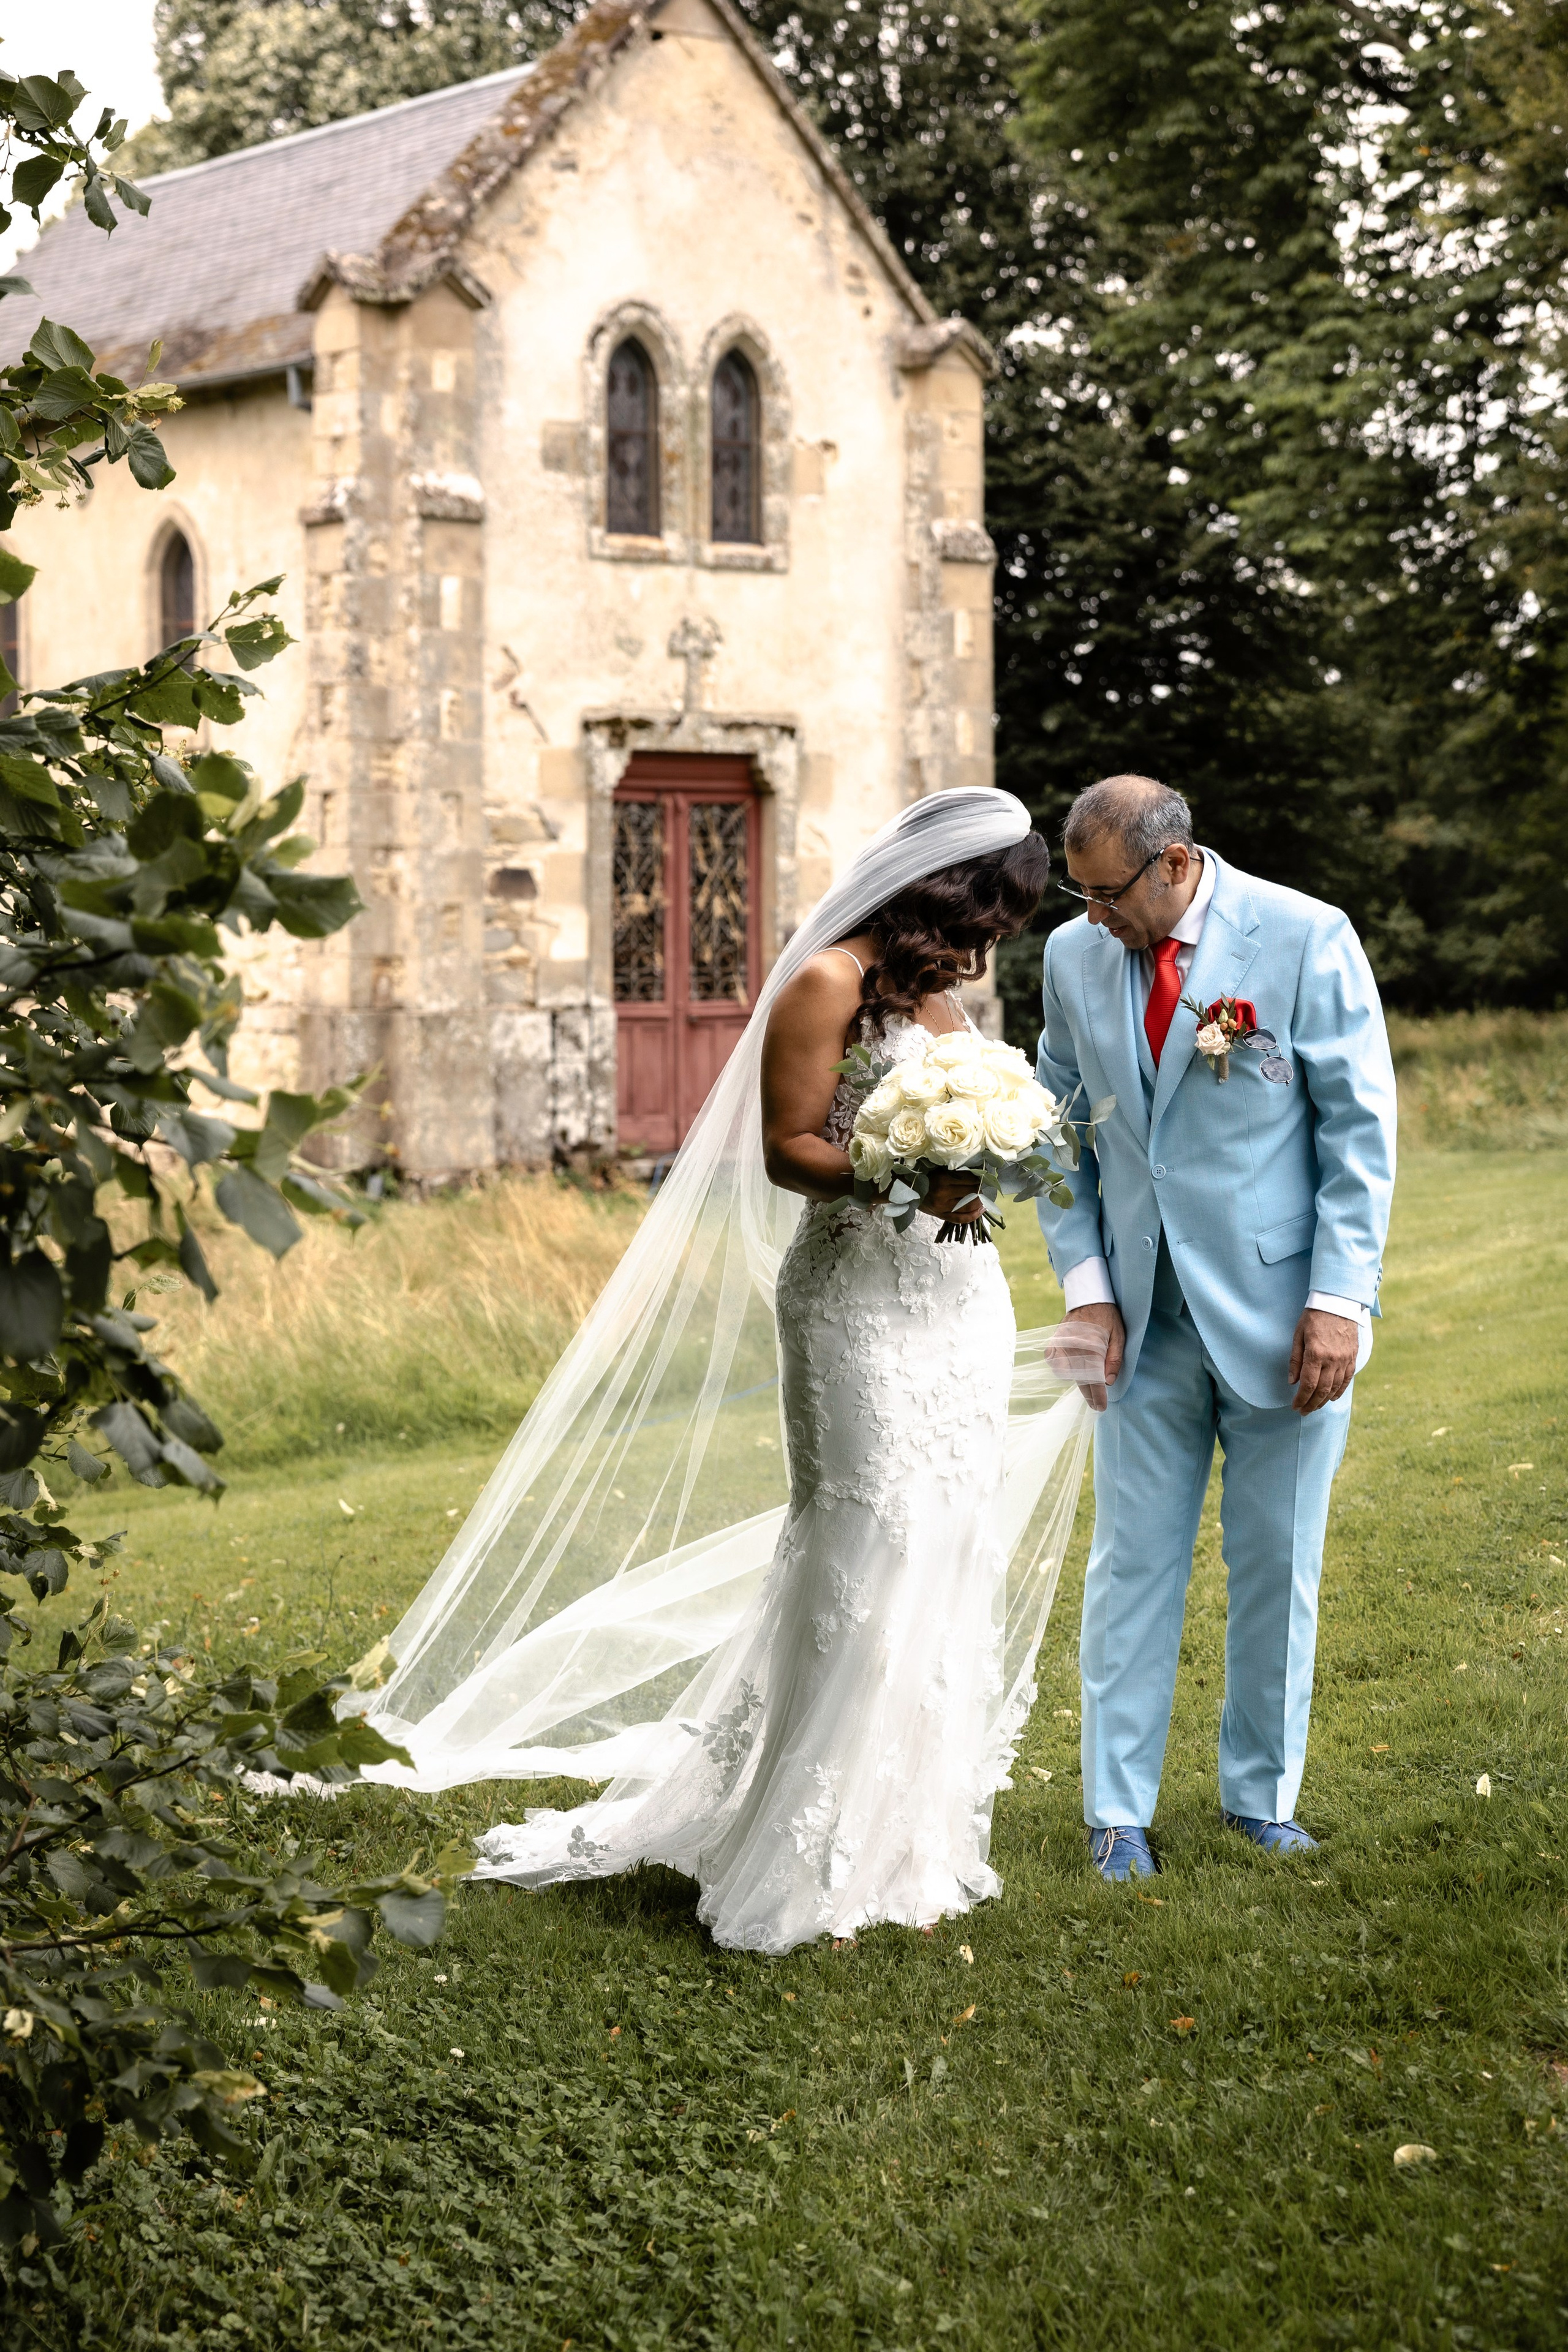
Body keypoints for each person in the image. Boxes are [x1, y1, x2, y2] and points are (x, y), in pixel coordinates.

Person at [356, 788, 1102, 1955]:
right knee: (868, 1536)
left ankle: (911, 1830)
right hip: (857, 1301)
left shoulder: (941, 1000)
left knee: (951, 1533)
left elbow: (980, 1129)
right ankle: (802, 1841)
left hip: (954, 1298)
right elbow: (790, 1147)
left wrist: (991, 1159)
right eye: (986, 914)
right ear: (938, 892)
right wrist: (909, 1170)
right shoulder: (827, 983)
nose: (989, 942)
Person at [1035, 774, 1397, 1881]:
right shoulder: (1071, 957)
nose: (1094, 915)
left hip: (1287, 1318)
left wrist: (1337, 1306)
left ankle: (1260, 1798)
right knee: (1130, 1563)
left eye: (1109, 894)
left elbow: (1359, 1135)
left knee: (1276, 1562)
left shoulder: (1303, 935)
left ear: (1176, 862)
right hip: (1140, 1322)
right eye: (1079, 892)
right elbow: (1057, 1131)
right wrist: (1087, 1286)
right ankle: (1116, 1813)